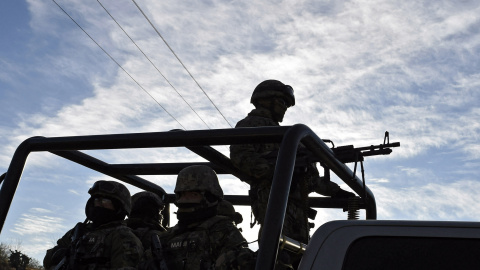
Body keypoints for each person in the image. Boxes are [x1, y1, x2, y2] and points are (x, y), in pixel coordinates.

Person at [230, 79, 354, 267]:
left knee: (301, 256)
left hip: (296, 207)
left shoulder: (288, 134)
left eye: (287, 104)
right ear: (264, 100)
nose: (285, 108)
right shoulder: (251, 125)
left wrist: (335, 191)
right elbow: (241, 158)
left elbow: (311, 180)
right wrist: (281, 171)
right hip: (272, 197)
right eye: (282, 102)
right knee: (277, 254)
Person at [141, 165, 255, 270]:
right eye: (182, 195)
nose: (185, 200)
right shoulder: (166, 238)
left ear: (210, 197)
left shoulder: (222, 230)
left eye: (193, 195)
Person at [43, 180, 144, 270]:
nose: (99, 204)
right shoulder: (79, 231)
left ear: (119, 207)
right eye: (97, 200)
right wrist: (58, 254)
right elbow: (48, 260)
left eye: (105, 201)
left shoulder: (123, 237)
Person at [127, 191, 167, 257]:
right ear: (155, 214)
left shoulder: (118, 232)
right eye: (159, 212)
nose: (161, 216)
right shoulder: (161, 237)